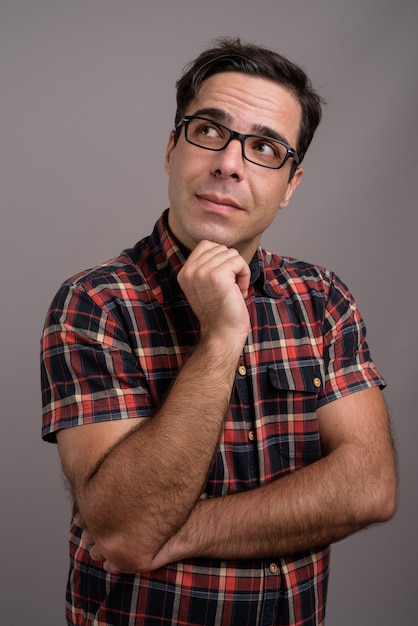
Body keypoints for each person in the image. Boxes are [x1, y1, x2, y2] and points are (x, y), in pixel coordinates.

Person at [40, 38, 397, 626]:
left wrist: (179, 533)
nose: (229, 163)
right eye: (209, 130)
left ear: (290, 186)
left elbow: (370, 487)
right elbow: (127, 531)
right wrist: (221, 338)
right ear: (171, 149)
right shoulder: (95, 302)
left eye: (264, 148)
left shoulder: (322, 298)